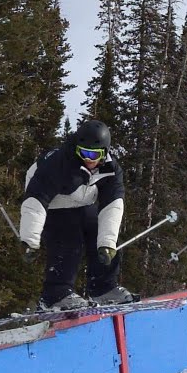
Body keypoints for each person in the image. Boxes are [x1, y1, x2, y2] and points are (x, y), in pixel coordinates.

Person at [18, 119, 136, 310]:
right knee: (69, 236)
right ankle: (56, 295)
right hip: (53, 201)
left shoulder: (111, 169)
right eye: (83, 152)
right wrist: (29, 240)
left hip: (82, 200)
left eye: (94, 154)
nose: (89, 159)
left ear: (105, 152)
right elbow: (36, 200)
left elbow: (112, 206)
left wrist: (107, 244)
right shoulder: (60, 163)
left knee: (99, 232)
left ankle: (103, 288)